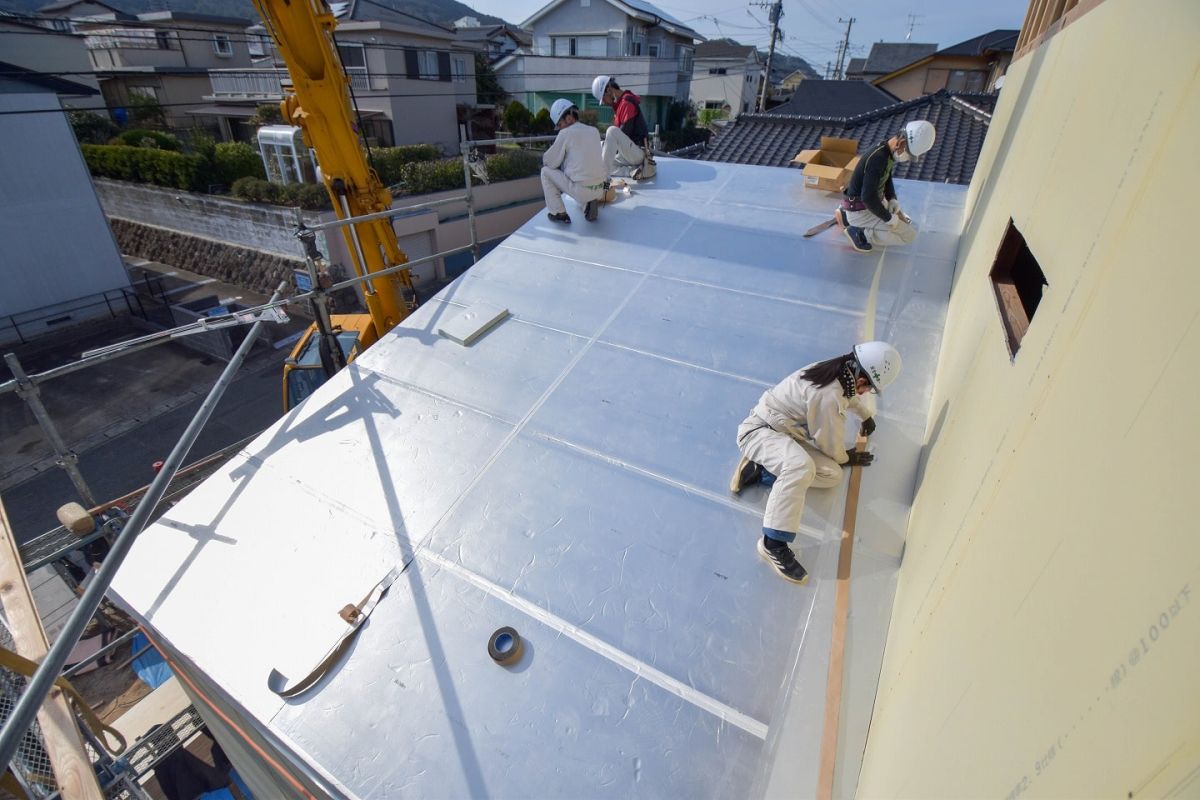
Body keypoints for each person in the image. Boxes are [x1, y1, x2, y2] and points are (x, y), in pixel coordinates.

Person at [729, 342, 902, 584]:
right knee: (801, 467)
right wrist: (847, 457)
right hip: (759, 432)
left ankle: (760, 470)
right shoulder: (828, 394)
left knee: (832, 474)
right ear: (861, 378)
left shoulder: (838, 370)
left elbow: (847, 397)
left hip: (784, 435)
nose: (864, 393)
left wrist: (865, 416)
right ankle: (773, 543)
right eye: (868, 388)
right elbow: (829, 443)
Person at [836, 120, 936, 253]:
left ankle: (847, 217)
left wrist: (892, 198)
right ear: (901, 143)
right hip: (862, 209)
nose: (907, 158)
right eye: (908, 153)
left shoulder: (885, 152)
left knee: (909, 224)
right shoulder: (878, 158)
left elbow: (886, 176)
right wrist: (889, 219)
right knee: (909, 236)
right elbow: (868, 197)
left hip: (868, 203)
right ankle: (859, 232)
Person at [541, 98, 608, 223]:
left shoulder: (565, 133)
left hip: (581, 189)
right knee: (581, 181)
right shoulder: (594, 131)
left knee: (545, 172)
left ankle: (559, 213)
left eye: (560, 124)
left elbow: (550, 162)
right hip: (601, 188)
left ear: (569, 117)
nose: (560, 128)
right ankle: (587, 205)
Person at [592, 75, 656, 180]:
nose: (603, 102)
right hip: (629, 153)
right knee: (598, 162)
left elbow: (624, 134)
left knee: (611, 131)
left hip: (638, 152)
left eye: (603, 98)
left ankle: (604, 183)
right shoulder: (619, 105)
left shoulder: (627, 103)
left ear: (608, 90)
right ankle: (634, 171)